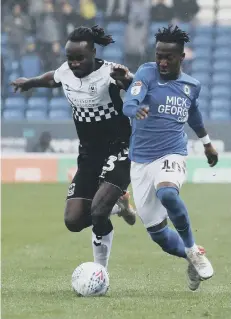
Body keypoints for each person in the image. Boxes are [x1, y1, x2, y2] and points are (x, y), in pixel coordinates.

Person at [11, 25, 136, 270]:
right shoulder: (66, 71)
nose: (75, 63)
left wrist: (129, 81)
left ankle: (100, 272)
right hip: (89, 155)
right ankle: (119, 203)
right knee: (73, 220)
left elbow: (138, 88)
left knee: (98, 213)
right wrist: (30, 83)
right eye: (70, 58)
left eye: (80, 58)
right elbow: (52, 78)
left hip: (119, 148)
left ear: (93, 53)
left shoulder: (110, 73)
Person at [123, 25, 218, 291]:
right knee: (160, 236)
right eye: (159, 56)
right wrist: (135, 108)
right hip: (141, 161)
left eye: (169, 57)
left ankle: (192, 250)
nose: (162, 62)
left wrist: (207, 144)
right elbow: (129, 102)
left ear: (181, 57)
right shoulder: (146, 73)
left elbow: (194, 115)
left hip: (172, 152)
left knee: (168, 194)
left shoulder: (191, 86)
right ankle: (190, 256)